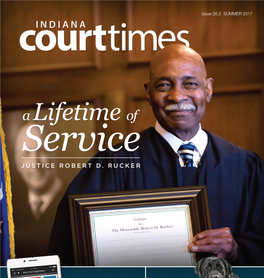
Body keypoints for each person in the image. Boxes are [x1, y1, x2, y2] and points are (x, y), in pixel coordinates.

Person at [48, 44, 264, 266]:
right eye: (163, 85)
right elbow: (69, 250)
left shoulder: (245, 166)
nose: (177, 96)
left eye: (190, 83)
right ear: (148, 92)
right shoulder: (112, 165)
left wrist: (237, 249)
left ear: (208, 89)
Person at [13, 123, 64, 257]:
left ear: (55, 155)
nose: (35, 163)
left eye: (43, 151)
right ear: (16, 162)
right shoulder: (8, 208)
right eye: (26, 153)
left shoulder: (76, 201)